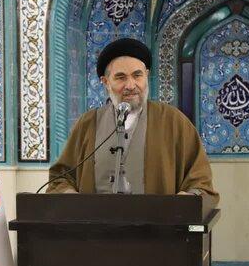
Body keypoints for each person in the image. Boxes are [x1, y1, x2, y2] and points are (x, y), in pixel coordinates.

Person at [47, 38, 219, 203]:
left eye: (137, 75)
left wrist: (187, 198)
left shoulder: (174, 122)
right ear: (105, 82)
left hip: (157, 223)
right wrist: (71, 198)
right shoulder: (87, 124)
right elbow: (60, 179)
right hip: (95, 223)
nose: (130, 85)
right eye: (121, 77)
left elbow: (200, 183)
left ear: (147, 76)